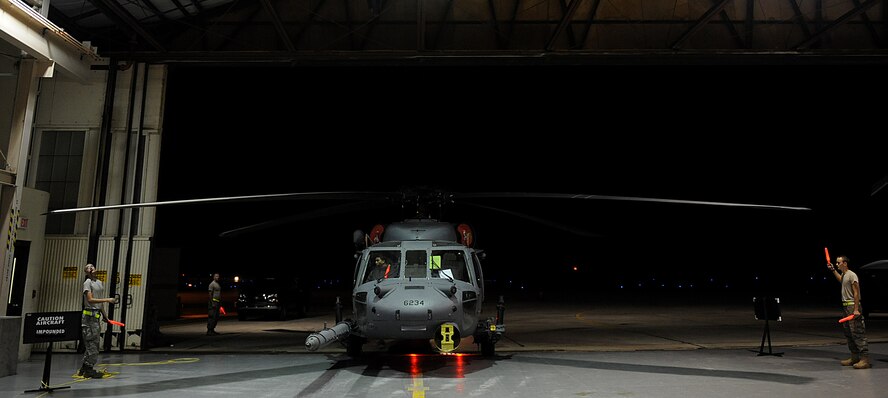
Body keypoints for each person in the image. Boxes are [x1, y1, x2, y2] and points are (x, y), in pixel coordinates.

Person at [827, 255, 871, 369]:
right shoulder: (845, 275)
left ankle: (864, 359)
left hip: (852, 306)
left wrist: (856, 309)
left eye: (838, 263)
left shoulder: (852, 275)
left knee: (857, 332)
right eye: (836, 263)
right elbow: (841, 281)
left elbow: (856, 292)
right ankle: (855, 357)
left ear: (845, 263)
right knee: (849, 333)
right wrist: (833, 270)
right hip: (846, 307)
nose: (837, 264)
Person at [78, 263, 118, 378]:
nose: (90, 268)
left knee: (93, 343)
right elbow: (90, 300)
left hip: (96, 317)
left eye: (92, 266)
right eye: (88, 267)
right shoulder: (87, 283)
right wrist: (108, 300)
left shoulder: (99, 282)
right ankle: (89, 369)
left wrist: (105, 316)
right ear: (86, 272)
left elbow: (99, 303)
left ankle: (84, 368)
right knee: (93, 345)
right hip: (89, 319)